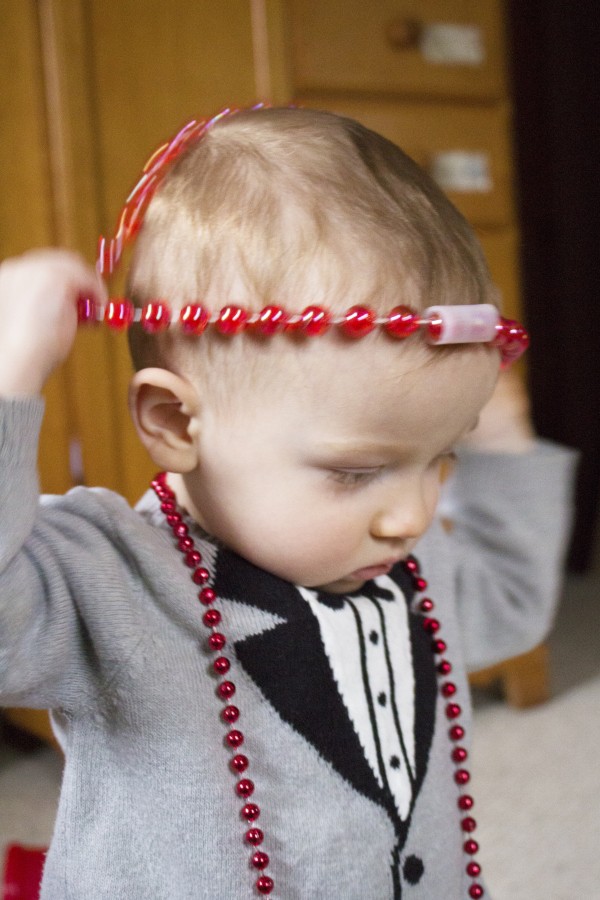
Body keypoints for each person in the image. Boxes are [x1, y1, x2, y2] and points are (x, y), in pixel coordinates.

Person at [0, 107, 575, 899]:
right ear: (175, 422)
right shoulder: (103, 581)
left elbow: (508, 604)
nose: (410, 517)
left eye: (441, 457)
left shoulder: (398, 558)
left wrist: (503, 449)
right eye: (354, 472)